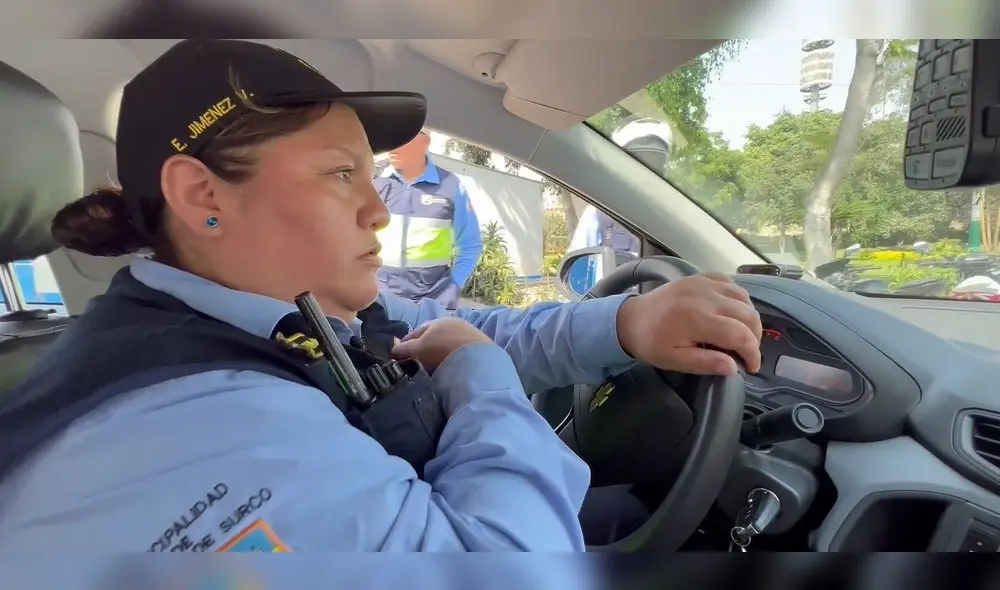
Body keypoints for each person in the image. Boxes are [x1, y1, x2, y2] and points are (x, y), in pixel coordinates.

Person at [0, 40, 762, 553]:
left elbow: (442, 329)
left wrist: (626, 323)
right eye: (339, 175)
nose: (379, 209)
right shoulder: (200, 420)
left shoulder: (262, 322)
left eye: (371, 178)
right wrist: (483, 385)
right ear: (204, 196)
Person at [373, 130, 483, 310]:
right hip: (382, 298)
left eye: (402, 138)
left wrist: (453, 287)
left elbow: (471, 245)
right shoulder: (377, 182)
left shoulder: (451, 185)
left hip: (434, 302)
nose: (393, 146)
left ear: (425, 143)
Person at [567, 117, 673, 294]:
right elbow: (577, 275)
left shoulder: (673, 217)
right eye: (637, 161)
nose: (646, 171)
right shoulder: (600, 213)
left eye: (654, 163)